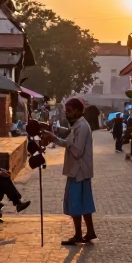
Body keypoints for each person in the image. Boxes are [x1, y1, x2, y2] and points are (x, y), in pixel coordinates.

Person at [42, 97, 96, 245]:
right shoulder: (78, 125)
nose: (67, 114)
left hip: (78, 171)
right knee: (83, 202)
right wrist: (55, 135)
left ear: (78, 111)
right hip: (78, 170)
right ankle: (90, 232)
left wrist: (55, 138)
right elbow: (70, 139)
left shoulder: (82, 126)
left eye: (70, 111)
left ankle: (78, 234)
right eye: (66, 111)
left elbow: (77, 151)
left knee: (75, 204)